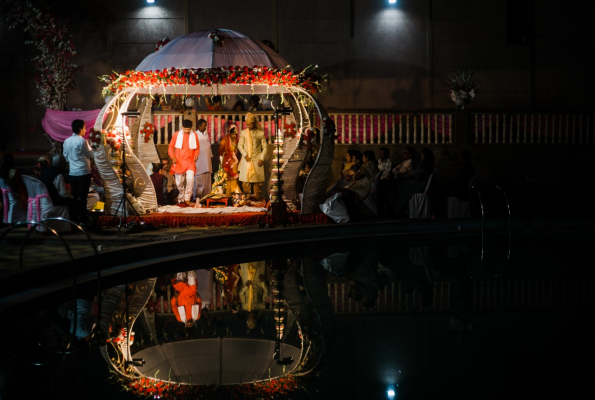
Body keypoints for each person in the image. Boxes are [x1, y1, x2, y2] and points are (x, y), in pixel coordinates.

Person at [63, 119, 93, 224]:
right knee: (83, 197)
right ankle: (83, 219)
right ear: (80, 129)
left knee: (75, 196)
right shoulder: (82, 141)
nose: (85, 130)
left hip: (72, 173)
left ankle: (74, 219)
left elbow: (65, 156)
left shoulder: (66, 141)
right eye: (84, 128)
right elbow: (90, 154)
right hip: (83, 172)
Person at [392, 148, 435, 217]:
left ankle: (400, 210)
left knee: (402, 186)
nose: (421, 156)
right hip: (423, 185)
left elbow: (412, 174)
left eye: (422, 154)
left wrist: (401, 176)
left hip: (420, 186)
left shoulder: (423, 165)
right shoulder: (430, 165)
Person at [168, 119, 200, 207]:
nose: (187, 131)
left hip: (190, 161)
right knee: (179, 183)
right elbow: (170, 147)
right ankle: (181, 198)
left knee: (190, 179)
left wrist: (196, 155)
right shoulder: (176, 134)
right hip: (179, 161)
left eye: (188, 129)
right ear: (182, 127)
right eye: (185, 129)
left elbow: (197, 148)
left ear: (191, 128)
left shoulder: (195, 135)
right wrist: (172, 157)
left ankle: (187, 198)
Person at [238, 112, 268, 199]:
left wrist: (262, 158)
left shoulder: (260, 133)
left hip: (257, 159)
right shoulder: (243, 133)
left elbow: (265, 148)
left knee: (258, 182)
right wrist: (245, 155)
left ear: (254, 123)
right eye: (247, 124)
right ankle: (246, 200)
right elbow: (240, 146)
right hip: (246, 159)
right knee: (245, 182)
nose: (248, 126)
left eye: (250, 124)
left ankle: (257, 200)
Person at [0, 153, 28, 223]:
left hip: (4, 196)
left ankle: (6, 219)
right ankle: (11, 221)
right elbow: (20, 186)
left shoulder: (1, 172)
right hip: (13, 196)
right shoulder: (14, 172)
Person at [192, 118, 213, 201]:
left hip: (207, 162)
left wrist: (211, 157)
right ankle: (196, 198)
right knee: (199, 181)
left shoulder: (206, 134)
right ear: (199, 126)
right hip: (199, 161)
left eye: (206, 126)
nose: (205, 128)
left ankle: (206, 198)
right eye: (204, 126)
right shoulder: (195, 135)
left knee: (207, 181)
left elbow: (209, 147)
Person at [219, 124, 240, 195]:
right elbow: (220, 152)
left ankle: (234, 193)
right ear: (229, 133)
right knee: (227, 177)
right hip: (227, 161)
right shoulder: (224, 141)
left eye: (236, 134)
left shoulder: (236, 141)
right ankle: (227, 193)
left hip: (234, 162)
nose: (234, 136)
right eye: (233, 134)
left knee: (234, 178)